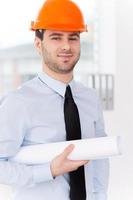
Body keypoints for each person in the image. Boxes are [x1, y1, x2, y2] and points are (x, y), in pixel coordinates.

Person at [0, 0, 109, 200]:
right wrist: (48, 170)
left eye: (73, 38)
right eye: (56, 38)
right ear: (38, 44)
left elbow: (99, 158)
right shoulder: (18, 102)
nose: (66, 46)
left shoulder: (90, 98)